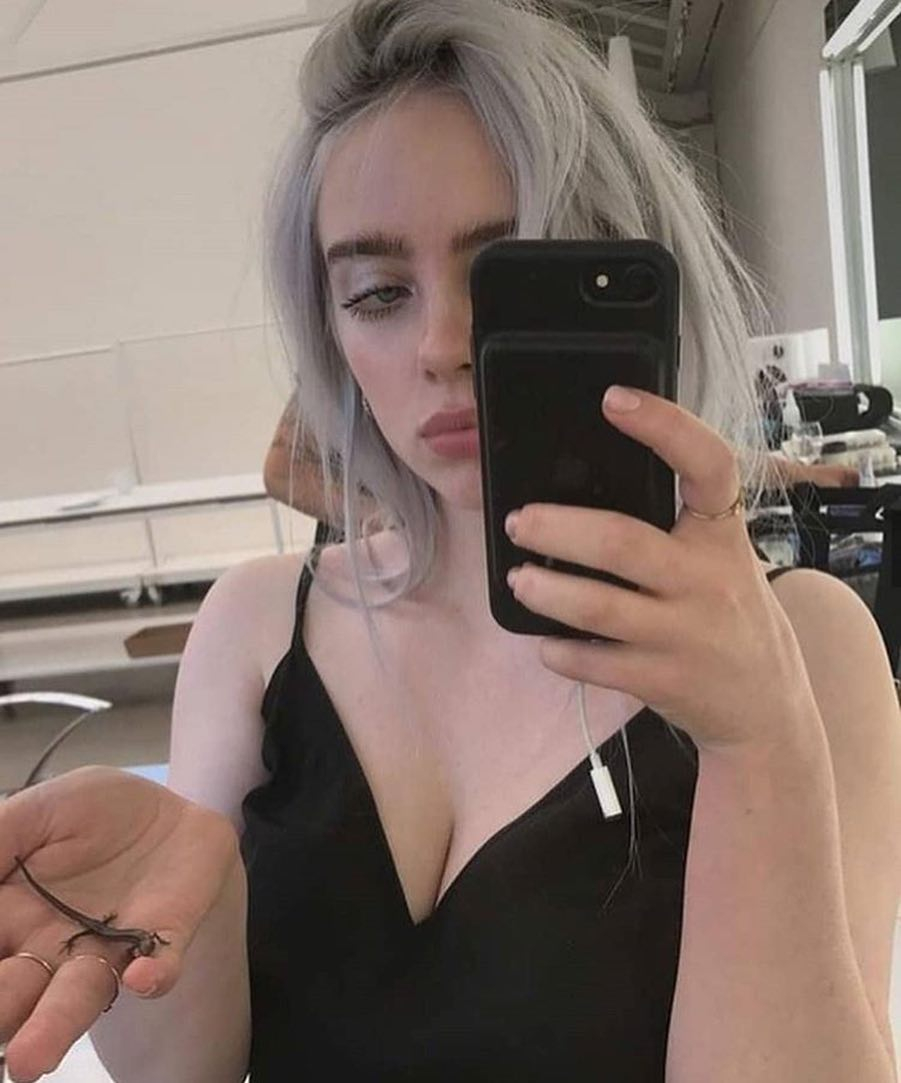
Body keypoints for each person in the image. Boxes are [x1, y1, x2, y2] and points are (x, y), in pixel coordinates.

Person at [2, 2, 899, 1081]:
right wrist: (138, 939)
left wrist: (758, 746)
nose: (440, 344)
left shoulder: (804, 649)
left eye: (504, 276)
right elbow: (182, 1072)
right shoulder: (256, 627)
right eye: (378, 292)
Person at [263, 392, 861, 531]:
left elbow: (679, 445)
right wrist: (390, 524)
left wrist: (801, 474)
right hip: (389, 580)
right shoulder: (338, 368)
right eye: (383, 296)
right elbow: (282, 467)